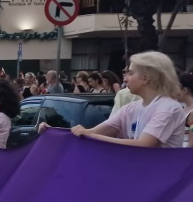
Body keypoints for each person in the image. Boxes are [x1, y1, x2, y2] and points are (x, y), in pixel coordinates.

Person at [46, 51, 184, 148]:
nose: (125, 79)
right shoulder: (130, 108)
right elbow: (91, 132)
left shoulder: (168, 108)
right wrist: (52, 131)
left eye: (130, 73)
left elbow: (144, 144)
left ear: (146, 78)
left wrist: (90, 134)